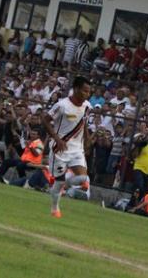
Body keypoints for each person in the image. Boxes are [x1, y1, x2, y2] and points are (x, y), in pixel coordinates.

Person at [43, 76, 92, 218]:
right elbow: (45, 120)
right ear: (76, 89)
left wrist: (87, 139)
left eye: (89, 92)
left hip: (77, 149)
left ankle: (64, 183)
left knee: (83, 178)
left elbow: (84, 123)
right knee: (58, 184)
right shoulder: (62, 105)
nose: (87, 94)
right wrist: (57, 139)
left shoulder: (87, 106)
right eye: (84, 91)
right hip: (60, 149)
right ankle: (54, 207)